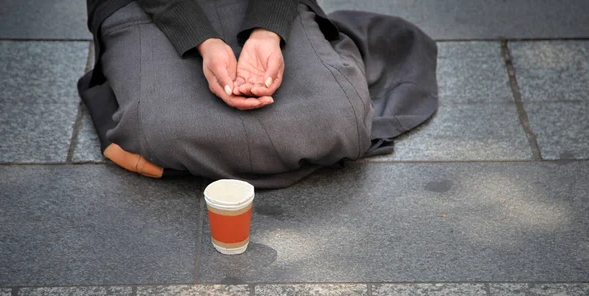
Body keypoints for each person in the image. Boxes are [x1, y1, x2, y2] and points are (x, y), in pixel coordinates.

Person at [79, 0, 438, 188]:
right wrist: (203, 42)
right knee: (162, 129)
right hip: (146, 7)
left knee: (338, 119)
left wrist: (268, 31)